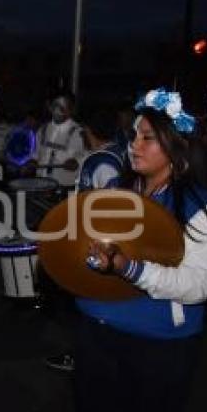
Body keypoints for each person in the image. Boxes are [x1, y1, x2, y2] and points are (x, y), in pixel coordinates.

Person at [74, 88, 207, 412]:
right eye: (133, 136)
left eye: (147, 138)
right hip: (97, 333)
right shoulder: (117, 191)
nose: (133, 146)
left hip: (159, 347)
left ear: (175, 147)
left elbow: (197, 286)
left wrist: (130, 269)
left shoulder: (202, 209)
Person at [44, 108, 127, 372]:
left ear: (89, 131)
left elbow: (110, 206)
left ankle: (85, 357)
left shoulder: (100, 161)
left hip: (97, 243)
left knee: (85, 302)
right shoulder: (121, 152)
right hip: (113, 242)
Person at [30, 94, 84, 187]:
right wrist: (32, 163)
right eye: (56, 105)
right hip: (40, 184)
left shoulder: (80, 133)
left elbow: (87, 156)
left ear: (71, 109)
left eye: (64, 107)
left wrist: (77, 163)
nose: (59, 110)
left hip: (64, 187)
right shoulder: (42, 129)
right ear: (50, 107)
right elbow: (36, 155)